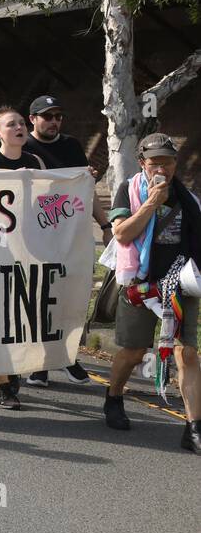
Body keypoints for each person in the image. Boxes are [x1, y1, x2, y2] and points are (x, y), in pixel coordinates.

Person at [102, 133, 201, 453]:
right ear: (142, 163)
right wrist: (151, 203)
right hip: (140, 284)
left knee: (186, 352)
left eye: (168, 161)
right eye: (155, 162)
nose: (162, 168)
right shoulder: (128, 191)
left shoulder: (188, 198)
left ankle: (194, 427)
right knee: (133, 352)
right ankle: (114, 397)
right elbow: (122, 234)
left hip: (181, 282)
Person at [19, 94, 101, 387]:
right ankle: (40, 363)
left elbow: (84, 188)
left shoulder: (71, 146)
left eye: (58, 116)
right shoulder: (25, 148)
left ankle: (68, 356)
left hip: (70, 233)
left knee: (71, 297)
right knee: (41, 299)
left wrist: (104, 223)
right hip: (36, 237)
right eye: (47, 116)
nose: (54, 121)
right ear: (33, 119)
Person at [0, 106, 46, 410]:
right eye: (10, 124)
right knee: (0, 316)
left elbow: (45, 200)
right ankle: (2, 383)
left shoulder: (35, 161)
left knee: (23, 314)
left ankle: (13, 370)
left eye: (21, 123)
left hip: (27, 248)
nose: (19, 127)